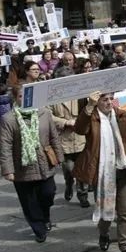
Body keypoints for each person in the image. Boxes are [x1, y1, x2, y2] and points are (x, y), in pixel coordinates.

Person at [73, 91, 126, 252]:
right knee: (105, 209)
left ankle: (125, 245)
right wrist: (88, 107)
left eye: (111, 99)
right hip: (101, 171)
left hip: (124, 168)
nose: (109, 102)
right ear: (97, 101)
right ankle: (104, 233)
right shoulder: (92, 116)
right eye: (104, 100)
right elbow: (79, 129)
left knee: (125, 211)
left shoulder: (122, 115)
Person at [0, 84, 64, 243]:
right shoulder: (8, 119)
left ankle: (45, 215)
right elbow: (5, 146)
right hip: (22, 167)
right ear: (15, 98)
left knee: (48, 193)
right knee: (29, 202)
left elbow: (54, 137)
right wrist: (8, 170)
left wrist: (59, 156)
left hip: (44, 163)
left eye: (29, 96)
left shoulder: (44, 113)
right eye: (21, 96)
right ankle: (38, 228)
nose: (26, 99)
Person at [49, 71, 90, 208]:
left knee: (82, 169)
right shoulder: (52, 97)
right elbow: (47, 115)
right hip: (63, 140)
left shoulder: (80, 95)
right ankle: (68, 184)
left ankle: (82, 195)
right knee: (69, 169)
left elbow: (88, 111)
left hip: (80, 139)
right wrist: (65, 122)